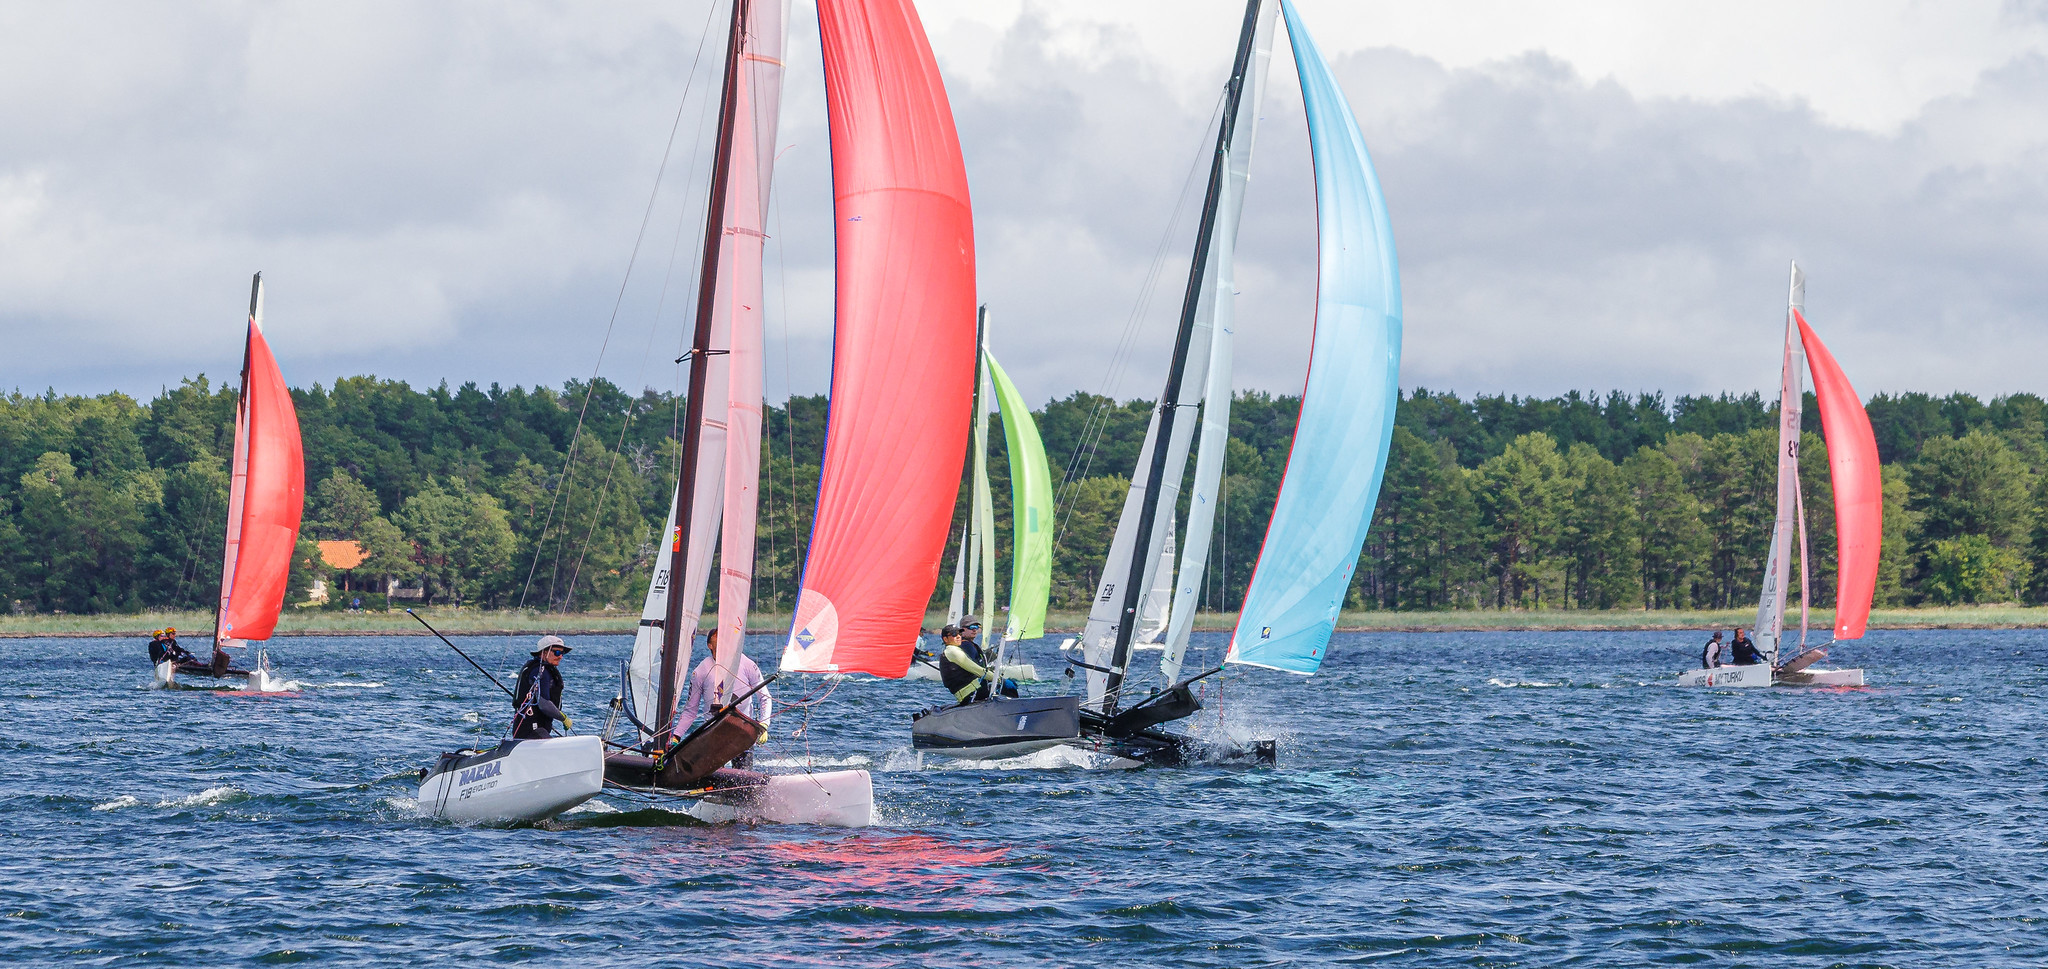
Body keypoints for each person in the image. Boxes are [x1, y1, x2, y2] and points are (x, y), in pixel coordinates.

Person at [680, 629, 772, 768]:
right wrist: (676, 736)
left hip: (741, 732)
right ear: (710, 645)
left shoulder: (746, 664)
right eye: (717, 637)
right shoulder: (701, 671)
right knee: (713, 774)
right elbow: (690, 710)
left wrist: (764, 724)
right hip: (714, 733)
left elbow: (765, 697)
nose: (722, 640)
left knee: (743, 774)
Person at [512, 635, 572, 740]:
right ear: (544, 653)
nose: (560, 657)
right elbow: (544, 704)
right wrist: (563, 718)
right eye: (557, 652)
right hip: (531, 731)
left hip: (538, 730)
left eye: (562, 653)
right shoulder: (540, 672)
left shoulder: (541, 669)